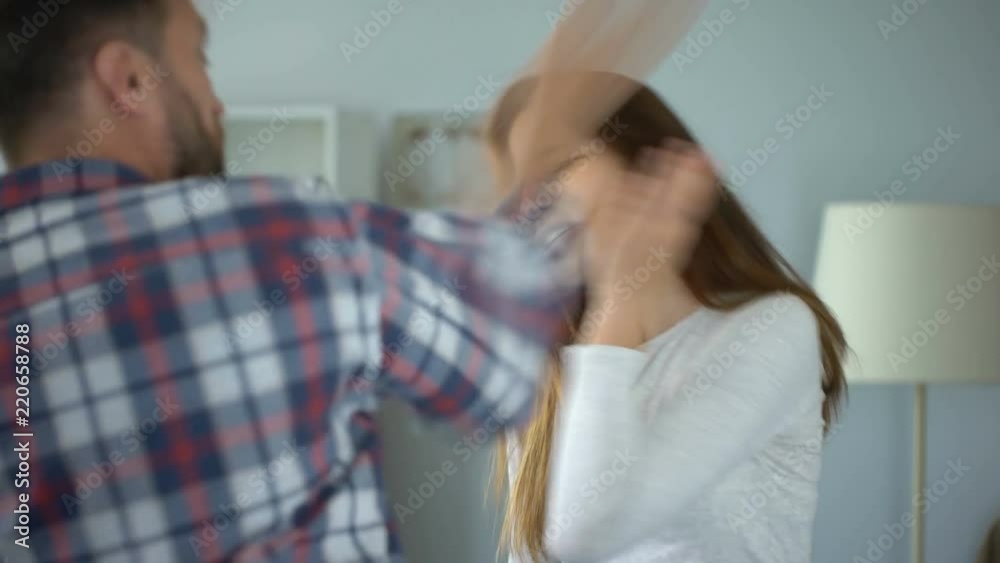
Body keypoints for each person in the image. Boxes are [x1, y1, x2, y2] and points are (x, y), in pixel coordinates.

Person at [0, 0, 706, 560]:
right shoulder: (281, 239)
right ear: (128, 80)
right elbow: (496, 305)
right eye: (199, 58)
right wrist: (552, 140)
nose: (216, 102)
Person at [488, 73, 849, 563]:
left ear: (648, 165)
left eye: (559, 163)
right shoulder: (545, 363)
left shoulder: (775, 328)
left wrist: (621, 298)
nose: (531, 201)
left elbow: (585, 530)